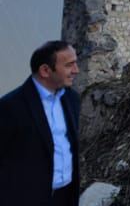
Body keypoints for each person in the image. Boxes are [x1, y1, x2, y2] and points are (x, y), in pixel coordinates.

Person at [0, 40, 82, 206]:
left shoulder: (72, 98)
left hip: (66, 196)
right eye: (69, 65)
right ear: (45, 70)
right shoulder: (10, 106)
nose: (76, 70)